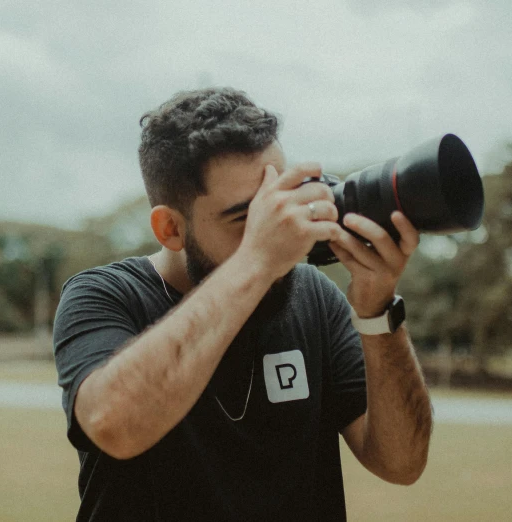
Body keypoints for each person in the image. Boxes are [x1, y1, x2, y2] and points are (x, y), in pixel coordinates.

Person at [53, 87, 433, 521]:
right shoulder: (104, 295)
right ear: (170, 228)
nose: (278, 229)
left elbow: (402, 464)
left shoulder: (313, 296)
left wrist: (378, 312)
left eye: (280, 202)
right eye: (246, 217)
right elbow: (114, 426)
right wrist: (257, 260)